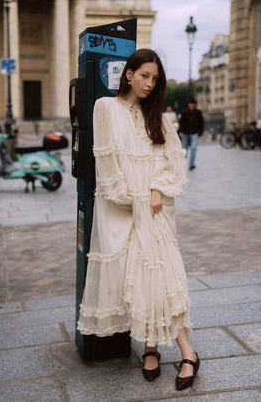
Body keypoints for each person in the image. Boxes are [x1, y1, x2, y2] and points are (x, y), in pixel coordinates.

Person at [77, 49, 199, 390]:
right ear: (128, 73)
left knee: (162, 277)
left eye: (155, 78)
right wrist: (136, 199)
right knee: (143, 280)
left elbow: (176, 161)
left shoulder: (157, 118)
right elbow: (108, 169)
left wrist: (157, 188)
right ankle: (150, 347)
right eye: (144, 75)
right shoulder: (106, 108)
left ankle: (185, 350)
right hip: (122, 209)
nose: (149, 83)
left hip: (155, 210)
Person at [178, 98, 204, 171]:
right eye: (190, 103)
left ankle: (191, 164)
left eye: (193, 104)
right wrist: (180, 131)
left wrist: (200, 133)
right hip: (185, 133)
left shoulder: (198, 112)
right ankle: (183, 164)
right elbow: (181, 122)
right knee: (184, 149)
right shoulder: (184, 112)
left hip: (195, 133)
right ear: (188, 104)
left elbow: (201, 123)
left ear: (194, 104)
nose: (191, 105)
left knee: (193, 148)